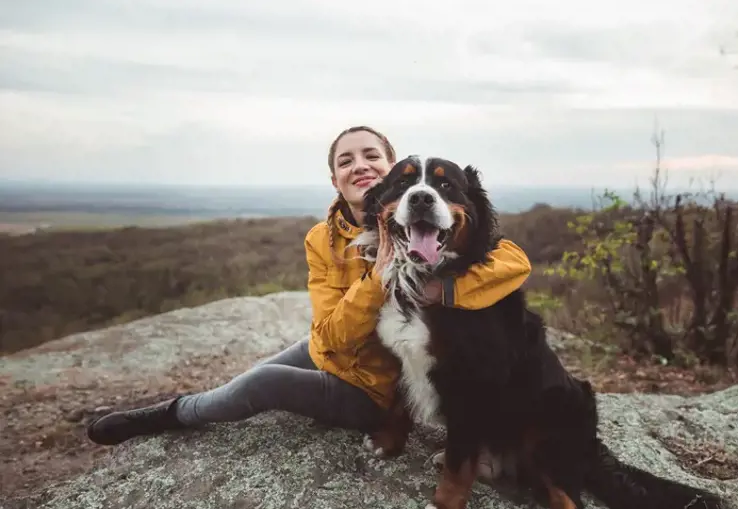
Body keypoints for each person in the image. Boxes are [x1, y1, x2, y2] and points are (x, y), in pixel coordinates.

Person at [86, 125, 533, 454]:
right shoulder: (323, 238)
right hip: (337, 349)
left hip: (380, 387)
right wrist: (376, 277)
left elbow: (510, 260)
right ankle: (189, 407)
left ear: (393, 172)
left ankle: (169, 415)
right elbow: (333, 334)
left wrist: (446, 293)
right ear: (335, 179)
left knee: (263, 381)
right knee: (261, 370)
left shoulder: (425, 223)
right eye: (345, 160)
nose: (359, 165)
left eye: (371, 156)